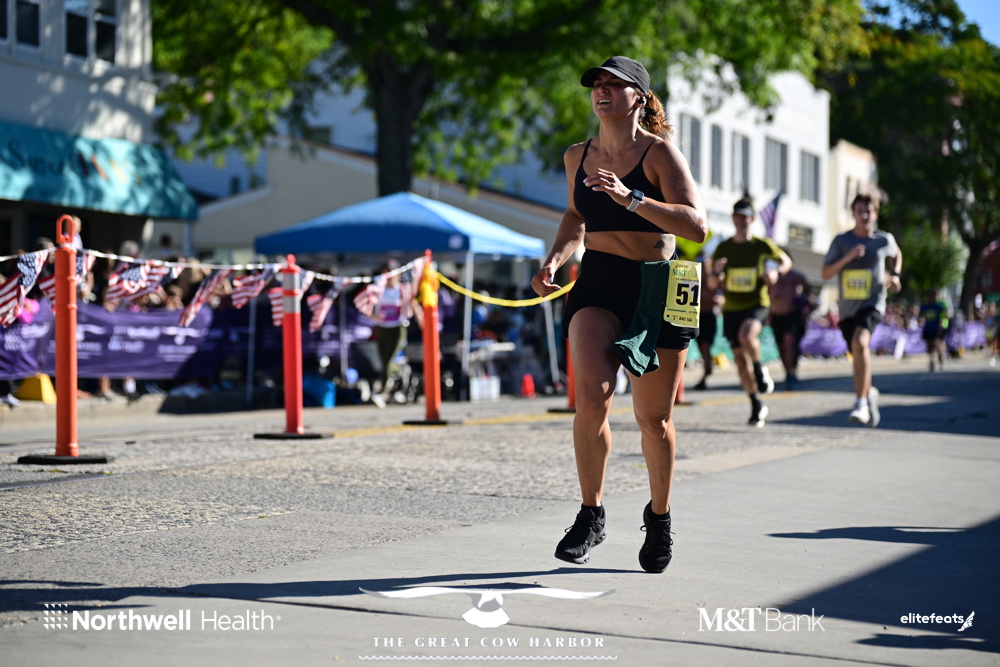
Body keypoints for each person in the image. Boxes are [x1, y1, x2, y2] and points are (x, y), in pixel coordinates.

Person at [531, 56, 706, 574]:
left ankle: (659, 517)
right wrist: (554, 259)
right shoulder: (577, 156)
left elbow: (695, 226)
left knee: (654, 418)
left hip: (657, 286)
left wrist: (632, 199)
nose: (602, 91)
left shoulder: (659, 153)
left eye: (615, 84)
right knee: (591, 400)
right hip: (600, 281)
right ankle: (591, 514)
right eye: (597, 84)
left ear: (640, 98)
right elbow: (575, 216)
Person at [822, 193, 902, 427]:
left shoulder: (883, 240)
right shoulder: (842, 241)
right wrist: (847, 257)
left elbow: (897, 253)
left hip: (872, 304)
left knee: (860, 342)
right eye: (859, 211)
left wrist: (895, 275)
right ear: (853, 214)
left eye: (868, 211)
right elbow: (825, 273)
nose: (864, 215)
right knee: (857, 351)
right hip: (847, 309)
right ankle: (868, 393)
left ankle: (860, 403)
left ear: (875, 214)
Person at [712, 198, 792, 426]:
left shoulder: (762, 245)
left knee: (746, 336)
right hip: (731, 307)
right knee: (739, 360)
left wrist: (776, 272)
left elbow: (786, 261)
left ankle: (759, 369)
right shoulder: (723, 248)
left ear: (753, 219)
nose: (741, 221)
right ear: (732, 218)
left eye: (745, 217)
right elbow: (711, 283)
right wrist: (716, 273)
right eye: (737, 216)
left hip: (757, 303)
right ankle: (756, 403)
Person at [768, 266, 813, 390]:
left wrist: (802, 300)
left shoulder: (796, 276)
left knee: (789, 342)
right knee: (781, 346)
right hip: (776, 316)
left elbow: (808, 291)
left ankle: (791, 373)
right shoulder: (771, 276)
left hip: (792, 315)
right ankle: (788, 371)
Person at [693, 252, 723, 390]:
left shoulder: (715, 277)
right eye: (700, 260)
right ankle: (707, 367)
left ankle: (705, 374)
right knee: (702, 347)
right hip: (696, 316)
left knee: (706, 346)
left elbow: (725, 292)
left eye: (705, 260)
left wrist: (721, 301)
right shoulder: (694, 276)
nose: (703, 263)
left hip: (710, 315)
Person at [919, 289, 949, 372]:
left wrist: (943, 325)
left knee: (936, 343)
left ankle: (940, 357)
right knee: (929, 346)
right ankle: (932, 361)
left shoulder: (938, 307)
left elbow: (945, 315)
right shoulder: (924, 306)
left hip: (936, 329)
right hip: (927, 328)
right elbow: (920, 315)